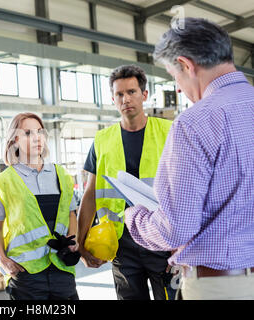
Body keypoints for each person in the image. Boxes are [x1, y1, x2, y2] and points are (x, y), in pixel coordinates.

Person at [124, 17, 254, 300]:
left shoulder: (195, 123)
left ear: (186, 64)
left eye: (175, 75)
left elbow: (175, 229)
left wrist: (134, 218)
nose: (179, 88)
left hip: (221, 288)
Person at [77, 65, 175, 300]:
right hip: (122, 244)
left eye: (131, 92)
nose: (126, 99)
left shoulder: (169, 132)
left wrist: (183, 242)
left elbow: (187, 190)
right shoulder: (102, 140)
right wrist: (80, 243)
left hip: (162, 238)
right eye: (120, 94)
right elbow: (90, 194)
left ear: (144, 94)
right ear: (113, 99)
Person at [0, 112, 80, 300]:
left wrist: (73, 240)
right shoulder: (4, 181)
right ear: (15, 139)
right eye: (28, 133)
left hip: (61, 266)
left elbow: (71, 213)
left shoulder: (60, 174)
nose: (37, 138)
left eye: (40, 132)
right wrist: (3, 260)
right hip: (25, 273)